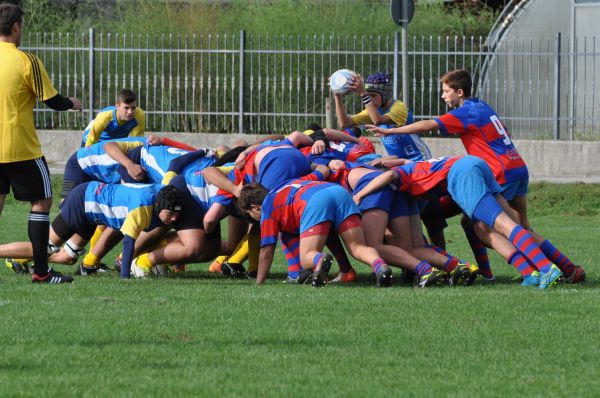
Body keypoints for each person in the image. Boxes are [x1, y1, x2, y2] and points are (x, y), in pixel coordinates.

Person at [365, 68, 585, 284]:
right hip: (517, 166)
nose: (443, 96)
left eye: (446, 91)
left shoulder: (464, 112)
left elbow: (429, 124)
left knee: (488, 227)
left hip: (498, 172)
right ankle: (566, 268)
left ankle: (536, 270)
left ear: (459, 92)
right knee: (507, 225)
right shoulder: (482, 105)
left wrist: (391, 131)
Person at [353, 155, 573, 289]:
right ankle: (544, 271)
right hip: (473, 163)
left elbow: (390, 176)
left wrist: (361, 194)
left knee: (503, 225)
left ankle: (546, 268)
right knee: (486, 228)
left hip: (461, 172)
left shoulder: (400, 174)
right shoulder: (415, 167)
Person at [0, 4, 82, 283]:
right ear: (16, 27)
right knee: (42, 201)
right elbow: (52, 100)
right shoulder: (27, 61)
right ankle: (41, 271)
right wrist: (71, 103)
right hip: (20, 147)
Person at [238, 178, 393, 288]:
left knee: (306, 257)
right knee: (357, 247)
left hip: (315, 201)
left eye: (250, 215)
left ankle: (320, 259)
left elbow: (267, 249)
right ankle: (378, 267)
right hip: (338, 191)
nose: (253, 219)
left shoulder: (267, 209)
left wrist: (259, 282)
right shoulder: (285, 185)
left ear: (254, 207)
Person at [334, 71, 431, 162]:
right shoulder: (373, 111)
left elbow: (378, 121)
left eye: (373, 96)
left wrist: (363, 93)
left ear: (385, 95)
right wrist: (337, 96)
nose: (370, 100)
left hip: (419, 159)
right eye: (368, 96)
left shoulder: (399, 107)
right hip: (398, 162)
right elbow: (344, 123)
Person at [81, 89, 145, 147]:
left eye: (133, 108)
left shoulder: (139, 115)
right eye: (126, 108)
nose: (130, 112)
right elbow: (91, 140)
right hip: (94, 140)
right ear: (117, 107)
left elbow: (136, 141)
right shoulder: (104, 117)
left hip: (115, 144)